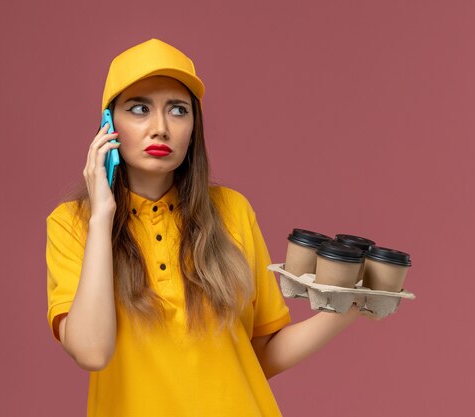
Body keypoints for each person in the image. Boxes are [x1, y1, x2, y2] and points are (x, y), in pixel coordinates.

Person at [46, 38, 361, 417]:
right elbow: (92, 351)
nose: (160, 128)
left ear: (193, 127)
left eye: (178, 110)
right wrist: (101, 218)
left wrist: (350, 306)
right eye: (140, 108)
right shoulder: (73, 224)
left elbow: (261, 354)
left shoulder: (233, 211)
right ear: (108, 125)